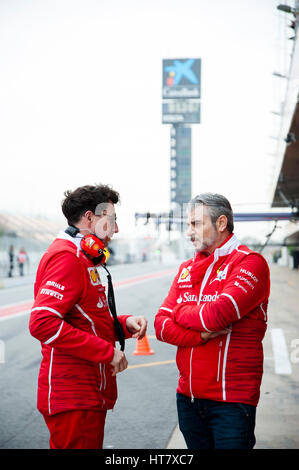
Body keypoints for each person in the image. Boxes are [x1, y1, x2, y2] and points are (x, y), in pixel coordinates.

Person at [29, 184, 147, 449]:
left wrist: (123, 324)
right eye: (112, 220)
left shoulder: (83, 257)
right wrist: (107, 352)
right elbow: (42, 324)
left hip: (87, 393)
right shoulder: (67, 258)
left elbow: (87, 320)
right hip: (73, 396)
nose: (116, 229)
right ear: (90, 218)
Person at [154, 193, 270, 449]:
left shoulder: (250, 263)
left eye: (195, 224)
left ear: (220, 223)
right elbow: (160, 325)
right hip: (188, 399)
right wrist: (197, 335)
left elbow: (215, 316)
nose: (189, 232)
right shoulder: (186, 268)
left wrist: (181, 310)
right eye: (188, 225)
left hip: (231, 401)